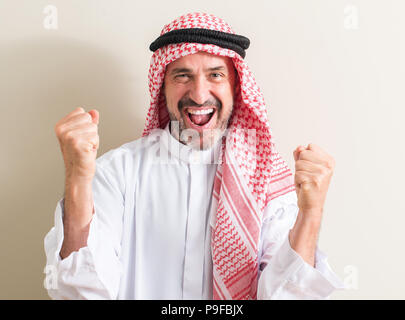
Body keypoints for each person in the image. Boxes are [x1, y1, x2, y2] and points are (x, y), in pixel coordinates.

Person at [44, 12, 344, 300]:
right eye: (182, 76)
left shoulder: (265, 177)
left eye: (215, 75)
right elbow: (79, 294)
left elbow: (285, 297)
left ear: (235, 86)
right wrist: (78, 179)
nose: (199, 94)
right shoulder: (117, 172)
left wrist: (311, 212)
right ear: (162, 88)